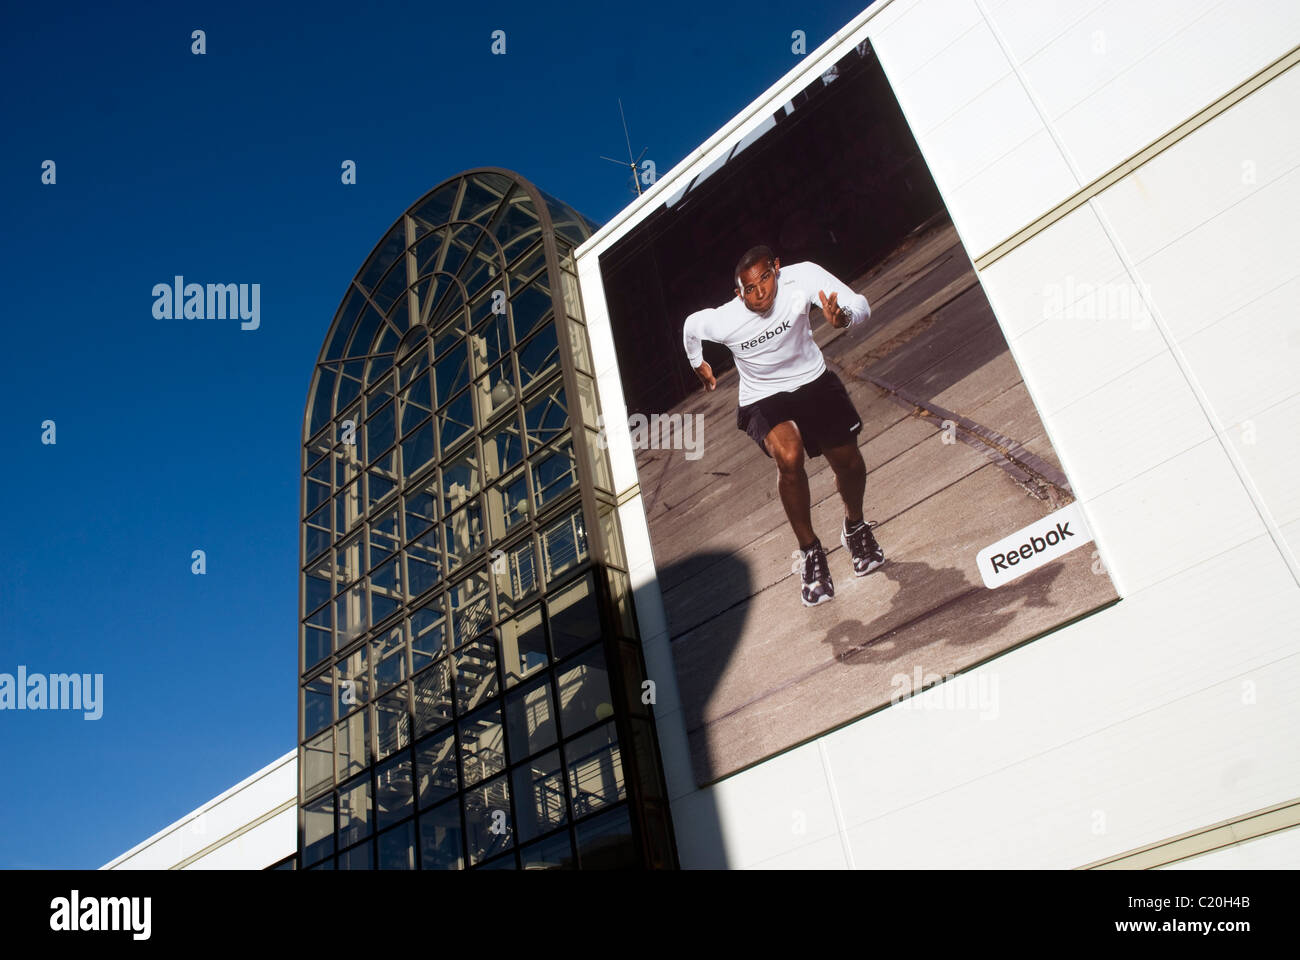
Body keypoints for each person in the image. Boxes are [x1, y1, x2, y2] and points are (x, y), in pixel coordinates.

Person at [682, 245, 885, 606]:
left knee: (849, 463)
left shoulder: (802, 276)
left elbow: (861, 304)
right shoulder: (724, 319)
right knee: (789, 457)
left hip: (812, 380)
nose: (758, 293)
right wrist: (697, 362)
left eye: (764, 279)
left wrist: (844, 319)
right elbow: (690, 327)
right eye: (748, 288)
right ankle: (810, 551)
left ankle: (854, 526)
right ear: (737, 292)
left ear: (777, 268)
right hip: (762, 396)